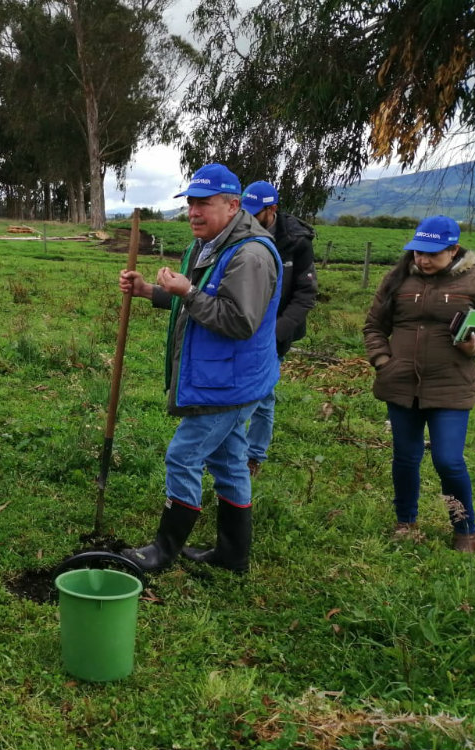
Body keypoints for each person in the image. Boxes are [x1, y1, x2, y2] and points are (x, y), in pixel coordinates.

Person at [117, 163, 282, 574]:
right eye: (190, 203)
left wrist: (187, 291)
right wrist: (150, 291)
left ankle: (162, 550)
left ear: (232, 205)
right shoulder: (206, 245)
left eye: (203, 203)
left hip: (231, 381)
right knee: (228, 461)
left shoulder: (251, 255)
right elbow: (192, 303)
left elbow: (239, 322)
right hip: (216, 376)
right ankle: (232, 554)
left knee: (183, 455)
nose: (193, 211)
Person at [363, 215, 475, 553]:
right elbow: (374, 326)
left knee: (448, 460)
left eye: (433, 253)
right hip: (400, 385)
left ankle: (465, 530)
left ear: (454, 249)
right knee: (405, 456)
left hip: (451, 386)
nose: (423, 259)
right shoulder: (398, 278)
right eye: (418, 252)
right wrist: (383, 362)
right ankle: (406, 521)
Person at [239, 181, 318, 476]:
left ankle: (253, 455)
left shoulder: (296, 242)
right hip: (242, 326)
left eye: (254, 212)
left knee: (263, 394)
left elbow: (305, 294)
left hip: (275, 333)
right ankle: (232, 448)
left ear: (272, 209)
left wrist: (276, 333)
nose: (247, 218)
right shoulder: (241, 234)